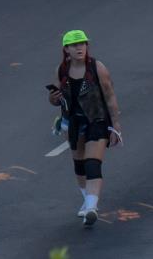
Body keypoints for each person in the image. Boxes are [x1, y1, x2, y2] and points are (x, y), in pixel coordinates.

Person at [50, 30, 122, 227]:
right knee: (80, 165)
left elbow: (110, 95)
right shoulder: (62, 70)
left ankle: (91, 207)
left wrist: (115, 124)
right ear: (66, 49)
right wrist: (53, 99)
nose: (80, 47)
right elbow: (55, 98)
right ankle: (86, 199)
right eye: (75, 45)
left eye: (82, 44)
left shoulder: (97, 68)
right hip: (72, 122)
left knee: (92, 163)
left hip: (96, 120)